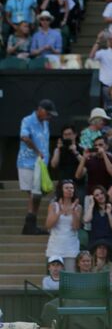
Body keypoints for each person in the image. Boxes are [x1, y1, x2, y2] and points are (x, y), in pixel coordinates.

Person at [18, 100, 56, 235]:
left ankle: (30, 224)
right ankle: (29, 224)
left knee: (38, 193)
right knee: (33, 193)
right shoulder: (27, 120)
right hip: (27, 162)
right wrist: (37, 151)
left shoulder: (46, 123)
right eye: (48, 113)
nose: (49, 117)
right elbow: (24, 137)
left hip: (41, 165)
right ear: (40, 109)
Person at [45, 180, 81, 272]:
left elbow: (76, 227)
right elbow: (48, 225)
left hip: (71, 246)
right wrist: (59, 213)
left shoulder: (78, 207)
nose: (70, 190)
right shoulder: (54, 206)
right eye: (67, 188)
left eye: (72, 188)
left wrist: (73, 212)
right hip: (55, 246)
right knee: (55, 276)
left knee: (71, 275)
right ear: (61, 190)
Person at [83, 185, 112, 251]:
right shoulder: (92, 210)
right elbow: (86, 220)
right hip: (95, 242)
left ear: (105, 193)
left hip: (109, 242)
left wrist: (109, 213)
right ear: (94, 198)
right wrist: (91, 204)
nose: (100, 196)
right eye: (97, 195)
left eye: (102, 193)